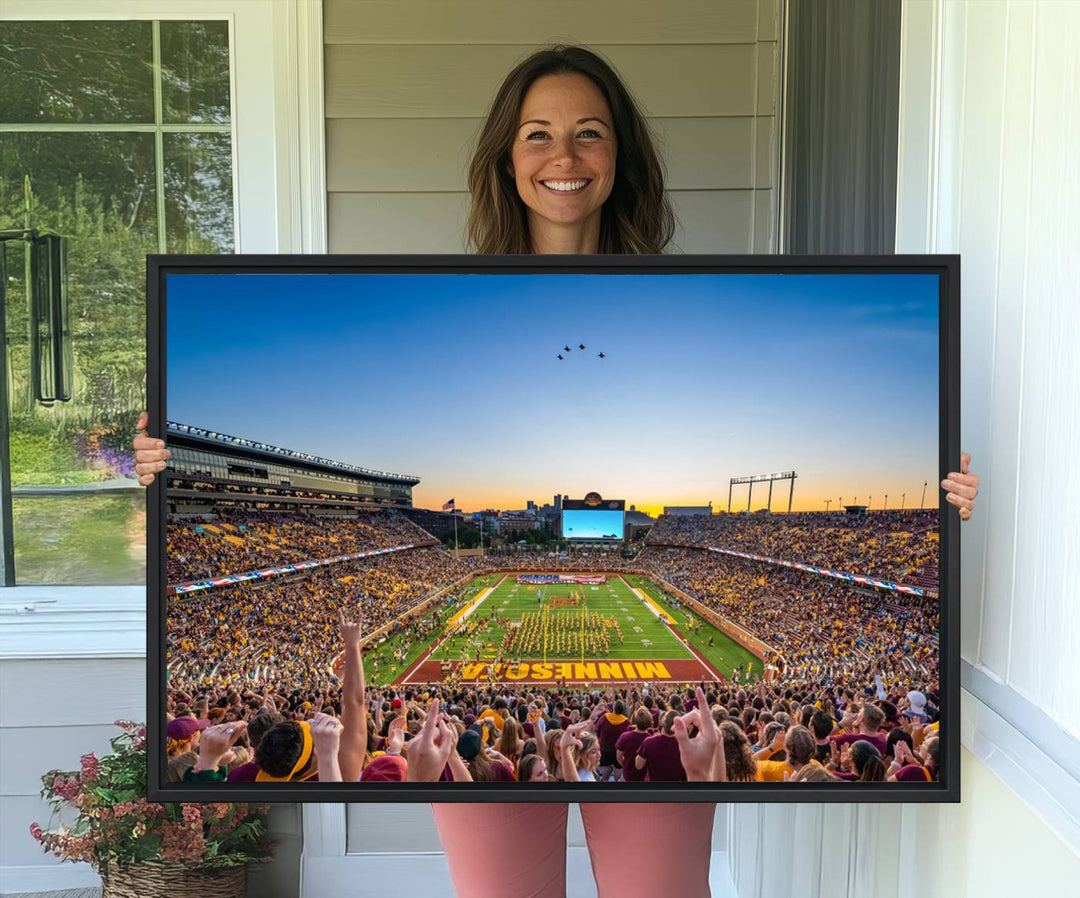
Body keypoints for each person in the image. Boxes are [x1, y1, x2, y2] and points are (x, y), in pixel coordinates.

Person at [135, 43, 980, 898]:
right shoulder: (452, 288)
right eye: (537, 134)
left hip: (645, 753)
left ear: (622, 157)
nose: (563, 157)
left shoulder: (678, 293)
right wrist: (165, 469)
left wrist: (943, 508)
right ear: (506, 157)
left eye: (590, 133)